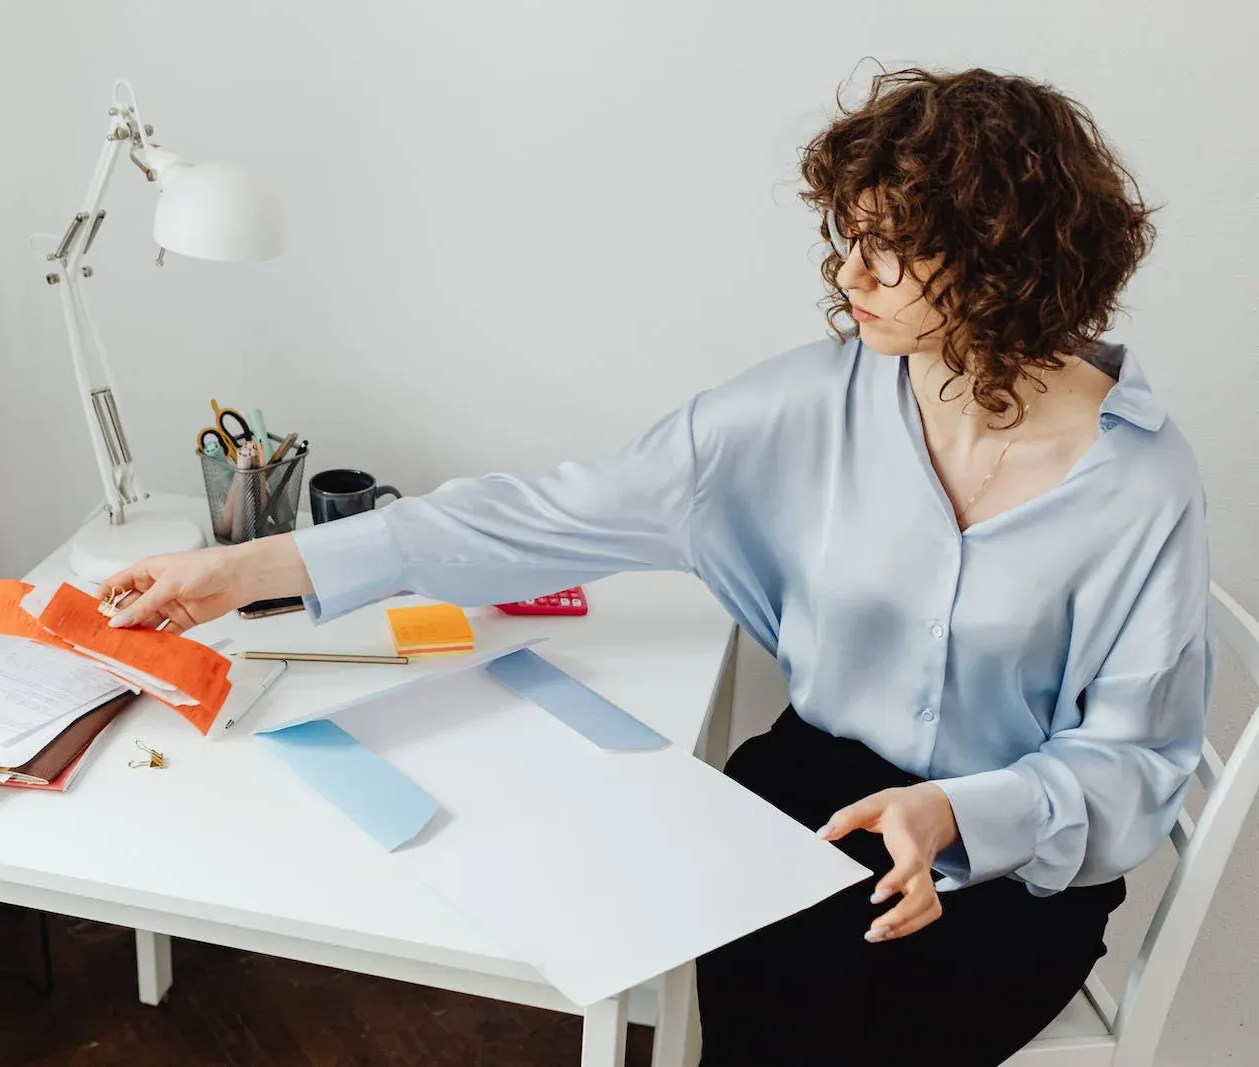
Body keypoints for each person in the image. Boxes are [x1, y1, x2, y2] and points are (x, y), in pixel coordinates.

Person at [101, 66, 1212, 1065]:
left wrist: (959, 814)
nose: (849, 271)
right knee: (703, 947)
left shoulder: (1138, 483)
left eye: (892, 244)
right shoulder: (805, 404)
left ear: (1002, 254)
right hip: (815, 799)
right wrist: (254, 567)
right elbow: (548, 513)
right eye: (845, 234)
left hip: (1009, 866)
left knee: (853, 1017)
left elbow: (1136, 764)